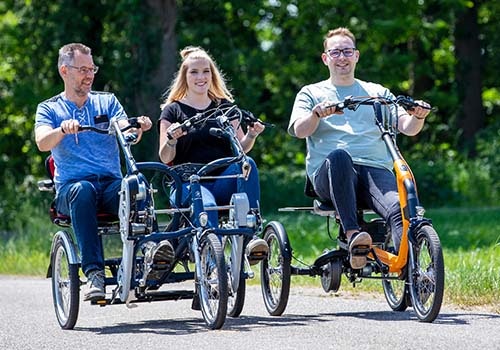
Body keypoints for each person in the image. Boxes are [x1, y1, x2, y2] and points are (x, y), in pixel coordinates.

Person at [288, 27, 431, 269]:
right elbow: (299, 130)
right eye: (335, 52)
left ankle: (411, 274)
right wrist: (316, 115)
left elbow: (407, 126)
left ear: (356, 55)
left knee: (400, 209)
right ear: (326, 58)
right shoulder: (311, 93)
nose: (341, 57)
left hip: (374, 169)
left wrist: (418, 116)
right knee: (340, 156)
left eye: (347, 51)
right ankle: (354, 235)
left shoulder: (377, 92)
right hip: (331, 173)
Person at [34, 43, 164, 301]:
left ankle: (152, 252)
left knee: (135, 186)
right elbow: (41, 142)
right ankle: (94, 273)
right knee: (83, 190)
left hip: (109, 185)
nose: (89, 74)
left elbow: (126, 131)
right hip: (72, 189)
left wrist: (137, 126)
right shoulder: (49, 109)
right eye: (82, 69)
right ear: (64, 71)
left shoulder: (107, 102)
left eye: (91, 68)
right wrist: (61, 130)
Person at [158, 46, 269, 264]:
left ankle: (251, 235)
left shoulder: (225, 107)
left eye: (206, 71)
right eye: (194, 72)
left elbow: (241, 148)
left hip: (222, 180)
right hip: (188, 183)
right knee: (206, 207)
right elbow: (164, 156)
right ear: (185, 77)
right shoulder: (172, 111)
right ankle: (213, 266)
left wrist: (251, 135)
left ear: (212, 75)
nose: (201, 77)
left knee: (248, 164)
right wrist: (172, 138)